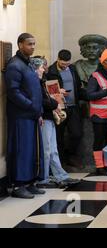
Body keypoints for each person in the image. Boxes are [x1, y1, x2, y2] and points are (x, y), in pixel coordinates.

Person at [5, 33, 45, 199]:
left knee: (32, 150)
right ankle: (18, 185)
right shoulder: (15, 65)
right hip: (21, 115)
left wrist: (38, 110)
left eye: (34, 44)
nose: (33, 47)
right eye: (29, 44)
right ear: (20, 45)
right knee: (22, 150)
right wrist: (30, 106)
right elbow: (13, 92)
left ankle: (30, 182)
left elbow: (35, 89)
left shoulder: (27, 64)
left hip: (32, 114)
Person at [30, 58, 80, 188]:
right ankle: (43, 178)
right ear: (35, 69)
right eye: (41, 66)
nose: (44, 68)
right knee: (46, 150)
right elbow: (41, 100)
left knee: (53, 149)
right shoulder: (35, 83)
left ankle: (60, 175)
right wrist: (55, 103)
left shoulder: (43, 81)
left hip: (49, 116)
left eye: (44, 66)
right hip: (44, 117)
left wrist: (56, 100)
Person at [46, 49, 86, 169]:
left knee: (77, 133)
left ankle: (70, 155)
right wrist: (59, 91)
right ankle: (61, 161)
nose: (65, 66)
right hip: (59, 107)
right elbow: (47, 89)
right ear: (58, 59)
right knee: (59, 135)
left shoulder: (73, 69)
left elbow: (78, 85)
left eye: (67, 64)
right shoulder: (51, 71)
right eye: (63, 64)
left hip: (73, 106)